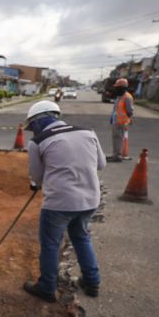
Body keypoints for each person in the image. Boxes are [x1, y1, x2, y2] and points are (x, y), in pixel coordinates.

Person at [21, 100, 106, 303]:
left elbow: (37, 177)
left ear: (38, 121)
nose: (33, 130)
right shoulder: (88, 132)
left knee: (51, 244)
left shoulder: (38, 141)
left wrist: (39, 182)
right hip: (89, 200)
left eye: (33, 126)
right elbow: (101, 164)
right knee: (81, 237)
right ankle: (92, 282)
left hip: (59, 204)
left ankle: (47, 287)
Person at [108, 77, 134, 162]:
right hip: (116, 121)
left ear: (123, 88)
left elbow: (129, 110)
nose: (116, 89)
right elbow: (116, 109)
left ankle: (117, 156)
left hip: (121, 122)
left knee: (118, 139)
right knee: (115, 139)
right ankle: (115, 154)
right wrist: (112, 119)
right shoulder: (120, 96)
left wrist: (129, 119)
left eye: (118, 87)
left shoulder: (127, 97)